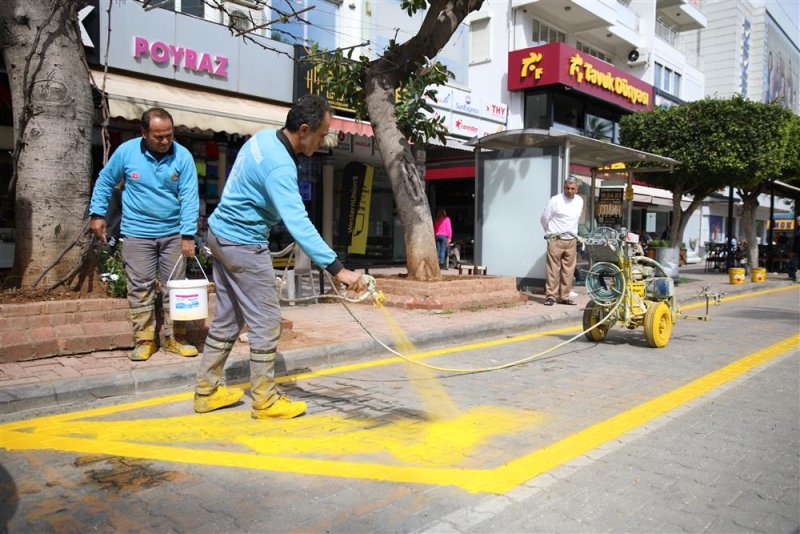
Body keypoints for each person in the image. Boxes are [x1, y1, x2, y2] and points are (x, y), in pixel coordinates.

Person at [194, 95, 365, 420]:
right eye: (322, 133)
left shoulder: (262, 139)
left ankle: (206, 390)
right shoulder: (280, 166)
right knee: (267, 322)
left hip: (220, 235)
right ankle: (265, 400)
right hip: (243, 244)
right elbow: (299, 223)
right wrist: (338, 270)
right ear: (303, 129)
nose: (324, 140)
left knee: (229, 317)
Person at [89, 107, 200, 362]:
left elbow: (190, 198)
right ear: (143, 133)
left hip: (173, 233)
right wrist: (97, 214)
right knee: (139, 287)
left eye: (169, 135)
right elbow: (106, 181)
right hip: (137, 233)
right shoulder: (127, 152)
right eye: (158, 136)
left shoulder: (182, 157)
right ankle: (144, 340)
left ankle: (175, 338)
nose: (165, 141)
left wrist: (188, 235)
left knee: (175, 288)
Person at [540, 176, 584, 306]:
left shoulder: (579, 201)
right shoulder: (556, 200)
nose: (569, 191)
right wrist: (550, 233)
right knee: (553, 269)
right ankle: (551, 296)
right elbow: (544, 218)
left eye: (572, 188)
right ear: (564, 187)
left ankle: (564, 296)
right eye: (567, 188)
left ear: (577, 189)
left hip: (571, 239)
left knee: (568, 270)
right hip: (556, 239)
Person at [788, 216, 800, 282]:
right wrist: (792, 251)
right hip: (797, 250)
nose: (798, 222)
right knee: (793, 263)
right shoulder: (797, 229)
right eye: (798, 221)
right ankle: (792, 277)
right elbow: (795, 241)